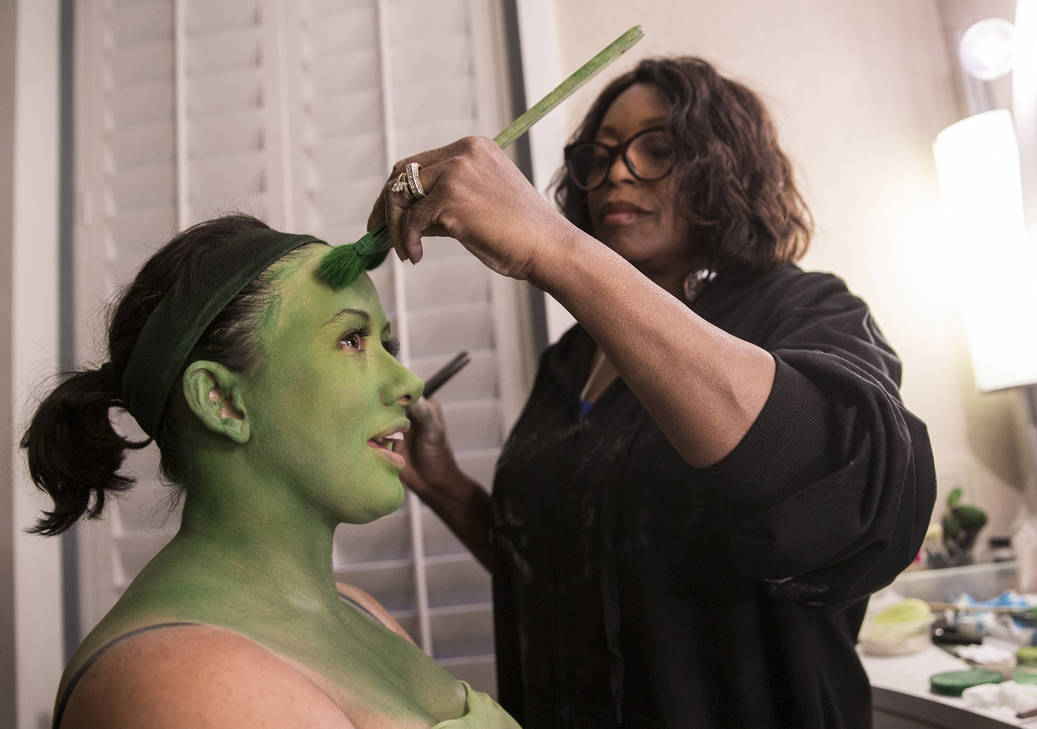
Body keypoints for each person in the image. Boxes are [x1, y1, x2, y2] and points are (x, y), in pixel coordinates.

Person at [372, 57, 937, 728]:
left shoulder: (798, 308)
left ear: (723, 165)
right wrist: (446, 488)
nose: (615, 172)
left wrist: (554, 248)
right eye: (599, 154)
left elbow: (861, 493)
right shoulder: (570, 360)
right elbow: (566, 570)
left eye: (658, 149)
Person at [22, 214, 522, 729]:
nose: (409, 382)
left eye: (385, 345)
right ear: (223, 401)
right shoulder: (190, 682)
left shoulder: (360, 611)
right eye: (352, 339)